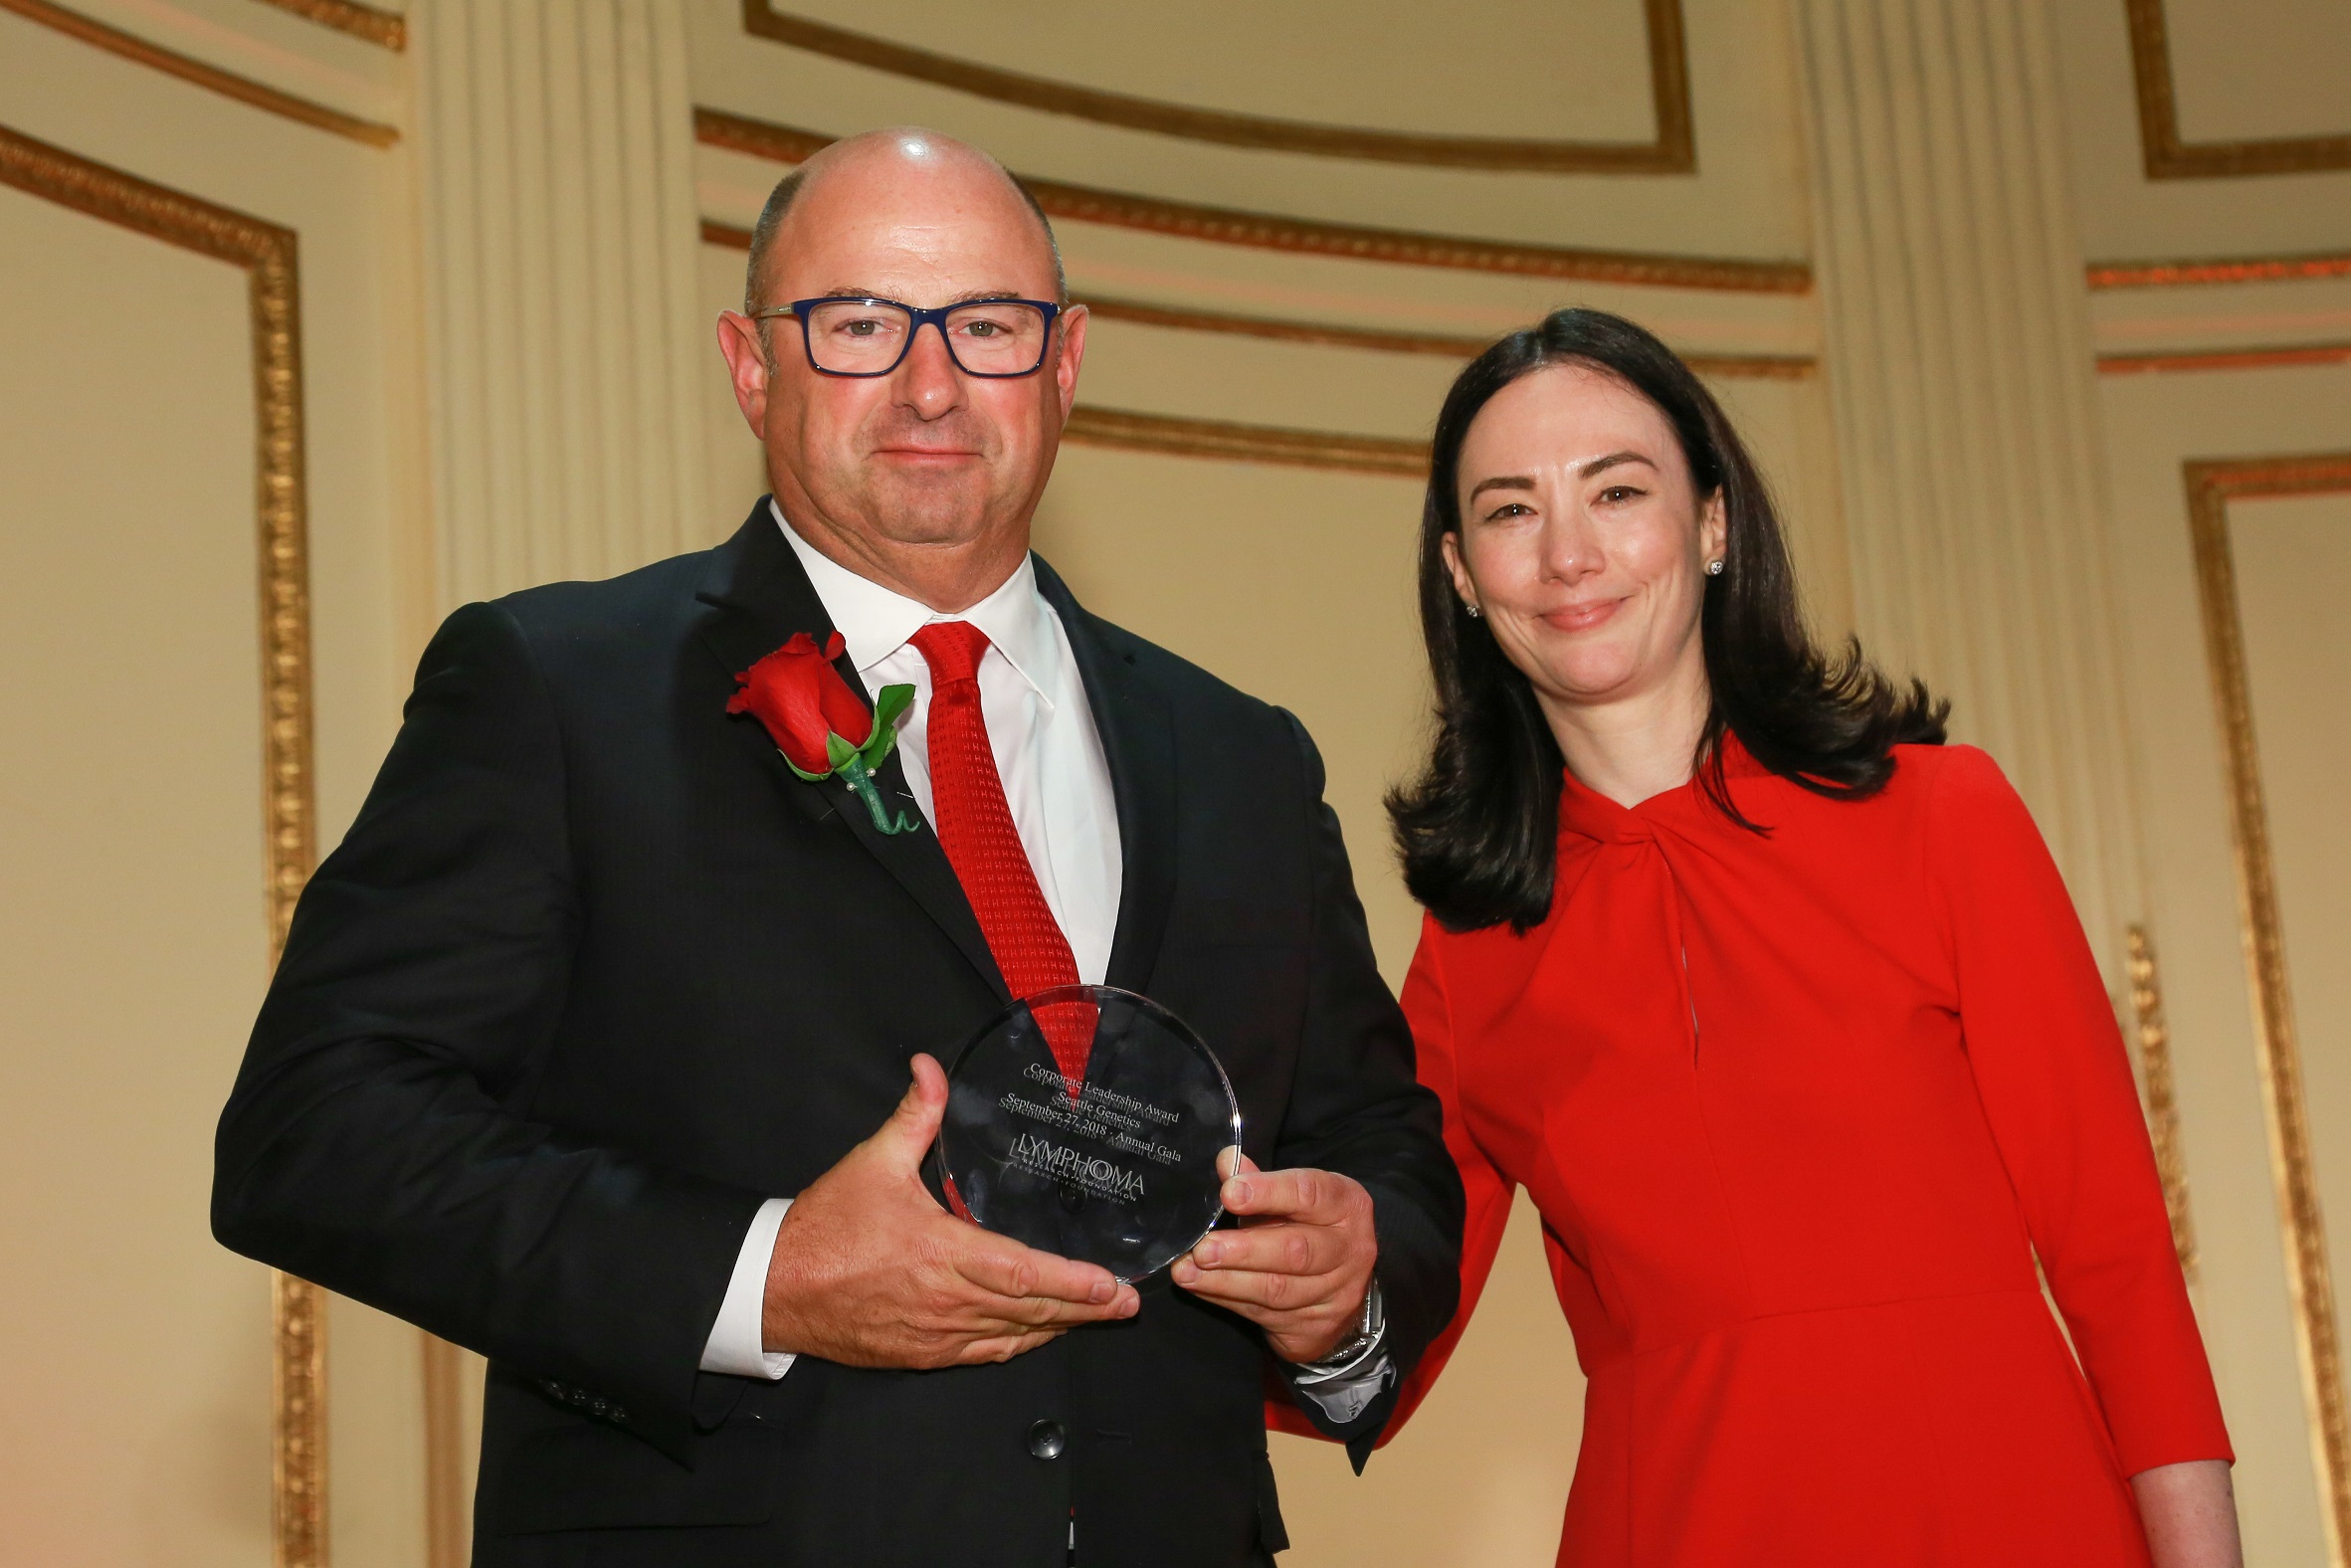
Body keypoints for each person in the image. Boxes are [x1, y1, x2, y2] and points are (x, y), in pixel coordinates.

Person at [212, 128, 1462, 1568]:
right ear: (752, 367)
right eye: (859, 324)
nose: (930, 384)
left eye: (986, 327)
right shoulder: (558, 689)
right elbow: (315, 1131)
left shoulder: (1241, 755)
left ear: (1062, 366)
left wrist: (1347, 1288)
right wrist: (758, 1277)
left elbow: (1376, 1144)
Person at [1368, 307, 2239, 1566]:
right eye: (1509, 511)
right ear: (1460, 573)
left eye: (1616, 491)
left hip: (2008, 1511)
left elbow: (2116, 1261)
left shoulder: (1942, 815)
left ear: (1712, 524)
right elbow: (1377, 1336)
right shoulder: (1467, 951)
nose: (1567, 554)